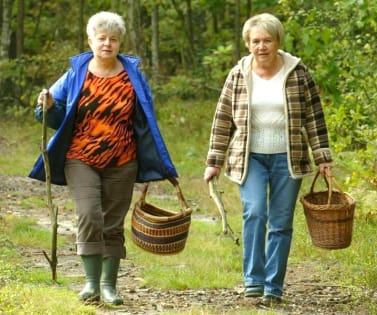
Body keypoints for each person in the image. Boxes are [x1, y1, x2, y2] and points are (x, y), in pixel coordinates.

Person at [29, 11, 178, 305]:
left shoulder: (132, 75)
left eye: (113, 39)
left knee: (112, 222)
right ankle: (90, 283)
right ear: (90, 40)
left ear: (120, 42)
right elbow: (49, 114)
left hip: (123, 160)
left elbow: (146, 119)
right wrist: (45, 104)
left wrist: (157, 159)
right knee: (89, 214)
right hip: (80, 157)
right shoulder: (76, 73)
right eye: (102, 38)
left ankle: (109, 286)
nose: (107, 44)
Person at [203, 13, 333, 305]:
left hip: (289, 157)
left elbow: (314, 117)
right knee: (255, 212)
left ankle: (273, 286)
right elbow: (223, 118)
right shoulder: (239, 74)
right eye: (255, 41)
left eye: (267, 40)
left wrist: (323, 156)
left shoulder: (297, 72)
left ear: (277, 42)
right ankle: (253, 280)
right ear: (248, 44)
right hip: (250, 157)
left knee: (281, 222)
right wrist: (214, 160)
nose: (261, 46)